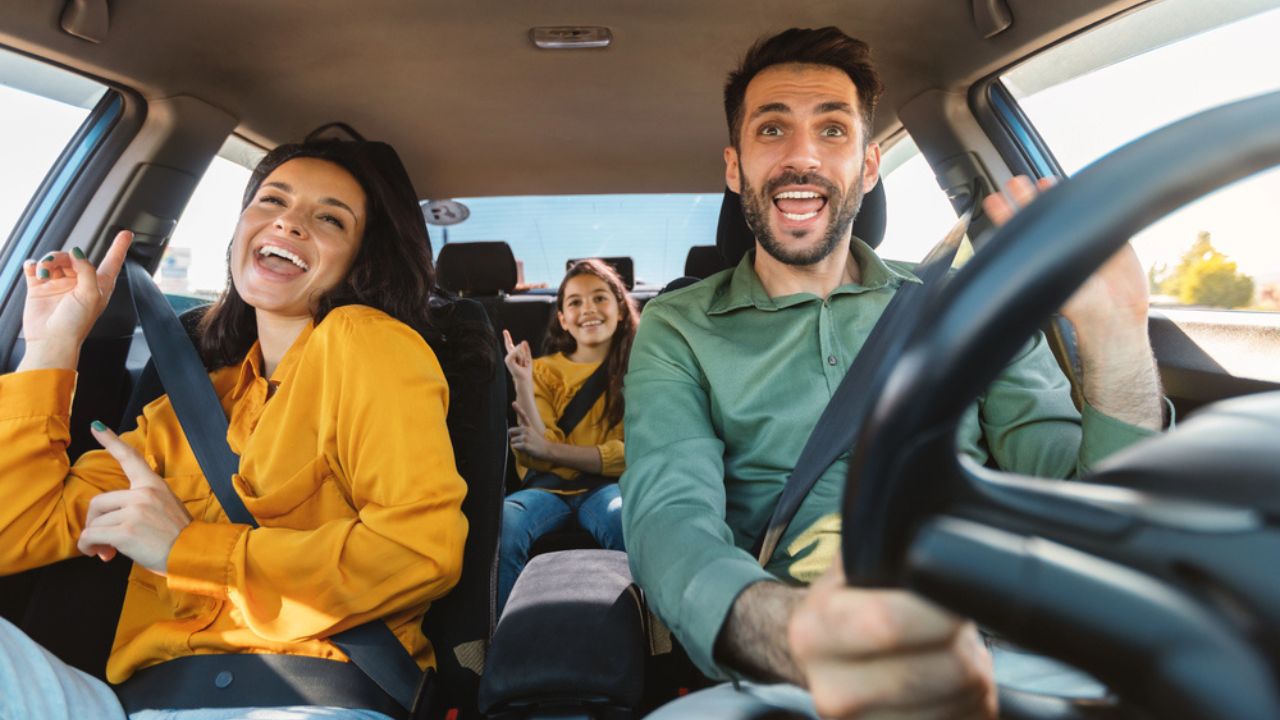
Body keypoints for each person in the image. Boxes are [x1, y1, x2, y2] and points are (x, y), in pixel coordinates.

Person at [621, 27, 1165, 719]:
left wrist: (1118, 339)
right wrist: (801, 638)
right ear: (735, 168)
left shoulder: (966, 302)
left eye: (833, 130)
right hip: (798, 668)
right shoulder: (677, 327)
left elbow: (1081, 507)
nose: (802, 157)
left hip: (1006, 649)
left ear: (869, 165)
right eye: (771, 130)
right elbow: (670, 520)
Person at [0, 137, 487, 719]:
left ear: (362, 258)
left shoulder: (366, 342)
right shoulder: (185, 405)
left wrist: (187, 550)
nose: (289, 221)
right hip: (131, 704)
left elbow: (417, 552)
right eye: (272, 200)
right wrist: (54, 342)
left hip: (303, 696)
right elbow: (15, 530)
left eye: (329, 217)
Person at [497, 259, 638, 613]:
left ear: (620, 309)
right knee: (505, 523)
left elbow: (636, 453)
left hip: (608, 489)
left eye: (599, 298)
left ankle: (648, 639)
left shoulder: (641, 368)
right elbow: (535, 453)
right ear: (562, 318)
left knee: (627, 518)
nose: (587, 309)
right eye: (574, 302)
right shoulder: (543, 370)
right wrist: (523, 384)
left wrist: (553, 450)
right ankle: (499, 640)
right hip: (546, 492)